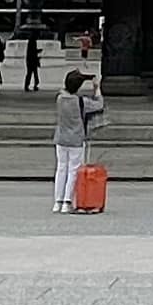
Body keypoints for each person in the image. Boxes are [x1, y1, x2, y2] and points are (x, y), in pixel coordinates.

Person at [52, 68, 105, 211]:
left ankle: (57, 201)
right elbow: (99, 104)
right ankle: (67, 201)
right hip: (76, 139)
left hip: (61, 138)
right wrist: (96, 88)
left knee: (61, 168)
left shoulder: (60, 98)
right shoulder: (81, 102)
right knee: (73, 170)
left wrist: (81, 78)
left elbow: (66, 88)